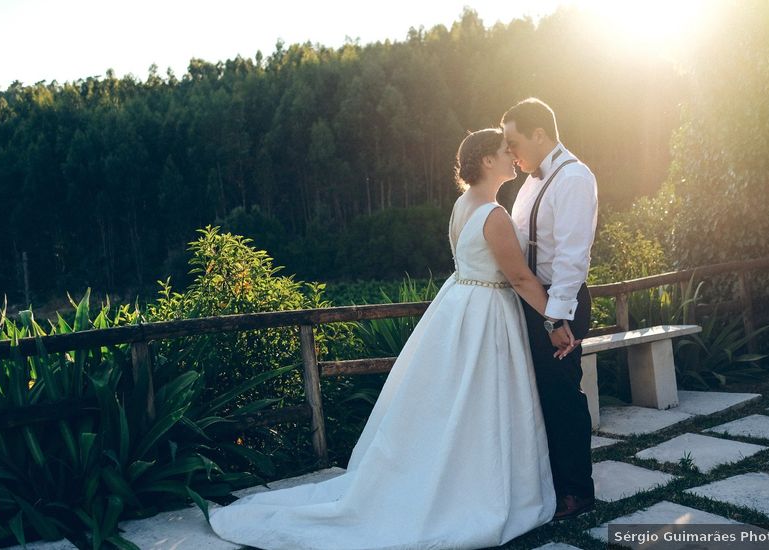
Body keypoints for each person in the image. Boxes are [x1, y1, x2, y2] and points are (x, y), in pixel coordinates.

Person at [209, 128, 571, 549]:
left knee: (458, 406)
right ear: (487, 161)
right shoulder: (493, 214)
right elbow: (521, 277)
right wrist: (555, 318)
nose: (513, 156)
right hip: (486, 316)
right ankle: (479, 489)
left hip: (459, 309)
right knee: (484, 402)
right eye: (505, 151)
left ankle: (454, 477)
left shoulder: (462, 205)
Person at [502, 98, 598, 520]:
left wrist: (555, 317)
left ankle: (578, 491)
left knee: (562, 397)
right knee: (537, 396)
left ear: (539, 134)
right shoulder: (530, 183)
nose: (511, 151)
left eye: (514, 141)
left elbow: (573, 257)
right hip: (534, 302)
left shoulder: (574, 178)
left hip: (560, 304)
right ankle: (550, 484)